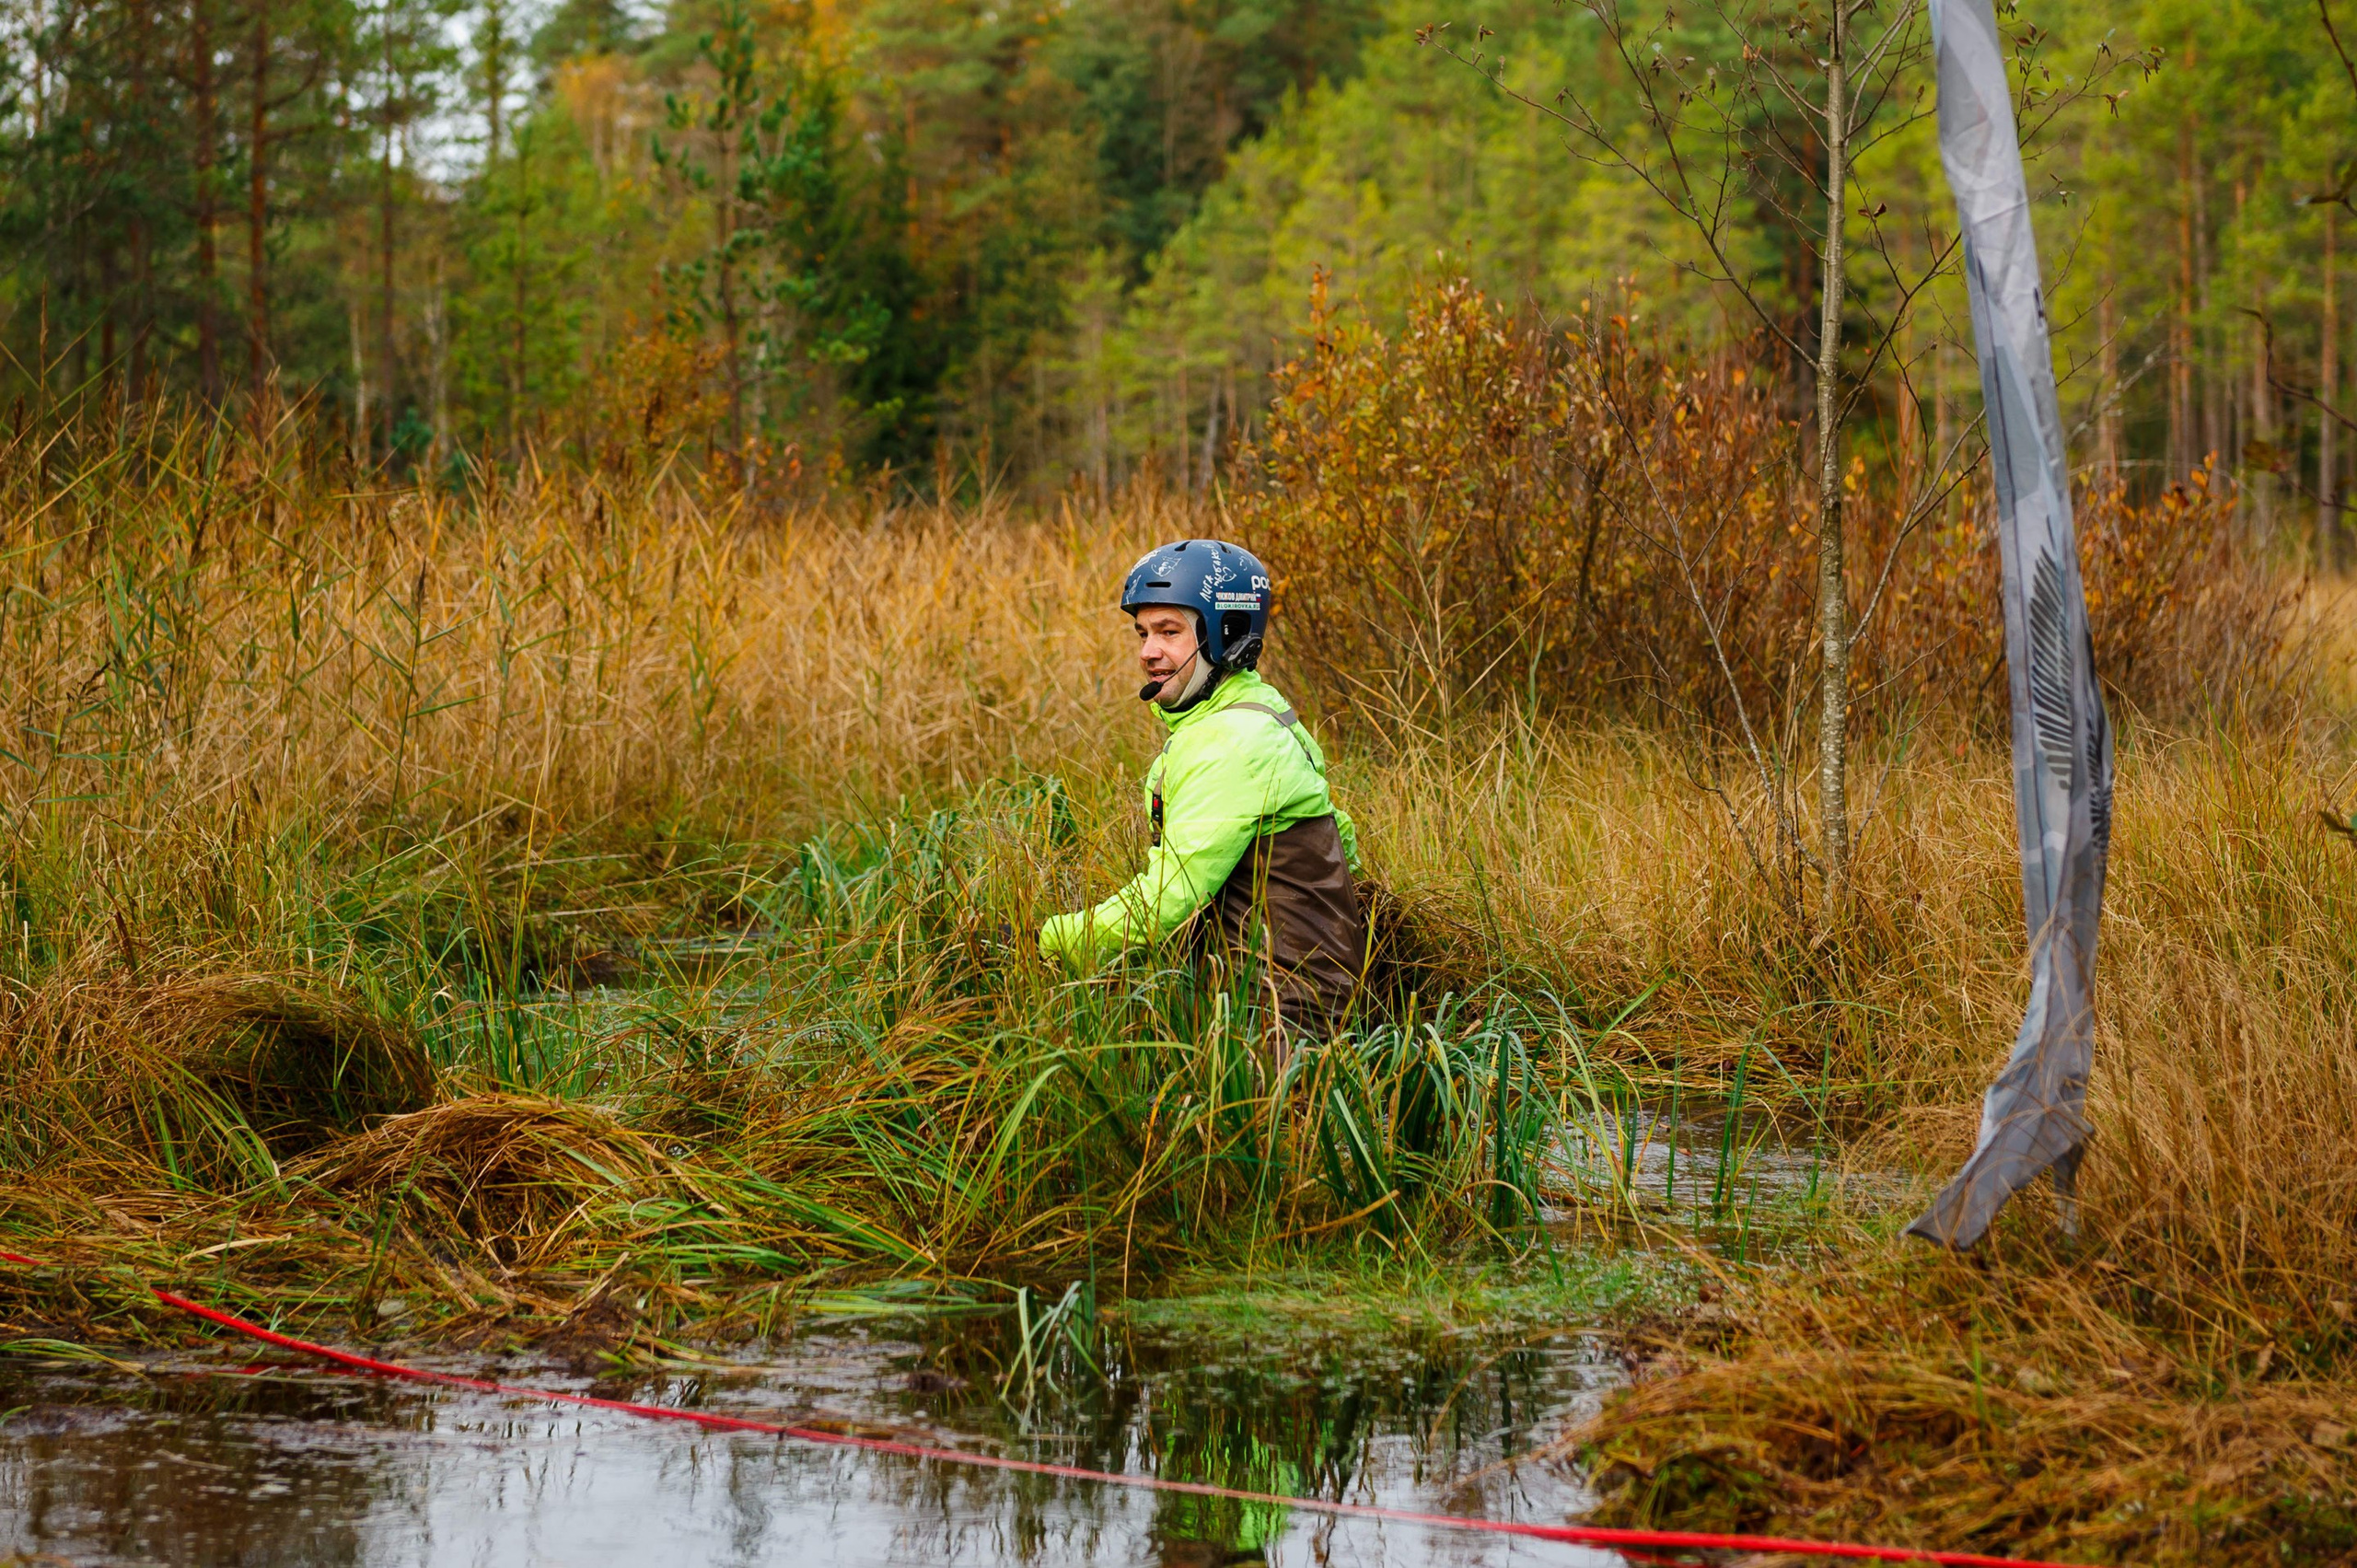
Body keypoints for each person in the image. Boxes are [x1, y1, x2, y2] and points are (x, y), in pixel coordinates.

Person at [1038, 539, 1365, 1032]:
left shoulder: (1230, 741)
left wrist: (1051, 939)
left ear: (1225, 635)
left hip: (1284, 1021)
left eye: (1169, 631)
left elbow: (1167, 901)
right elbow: (1346, 846)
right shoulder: (1262, 711)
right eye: (1142, 633)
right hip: (1284, 1001)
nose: (1149, 652)